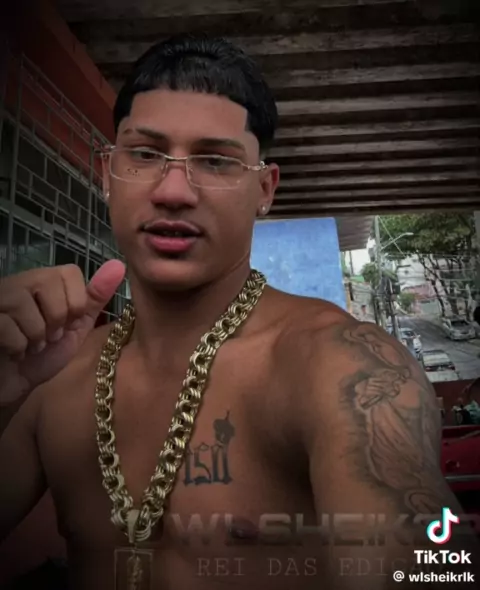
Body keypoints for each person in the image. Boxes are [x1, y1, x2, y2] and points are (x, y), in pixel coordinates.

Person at [0, 34, 478, 590]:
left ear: (264, 189)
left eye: (215, 160)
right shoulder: (52, 375)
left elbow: (430, 566)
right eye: (145, 154)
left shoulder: (337, 366)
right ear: (107, 173)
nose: (173, 191)